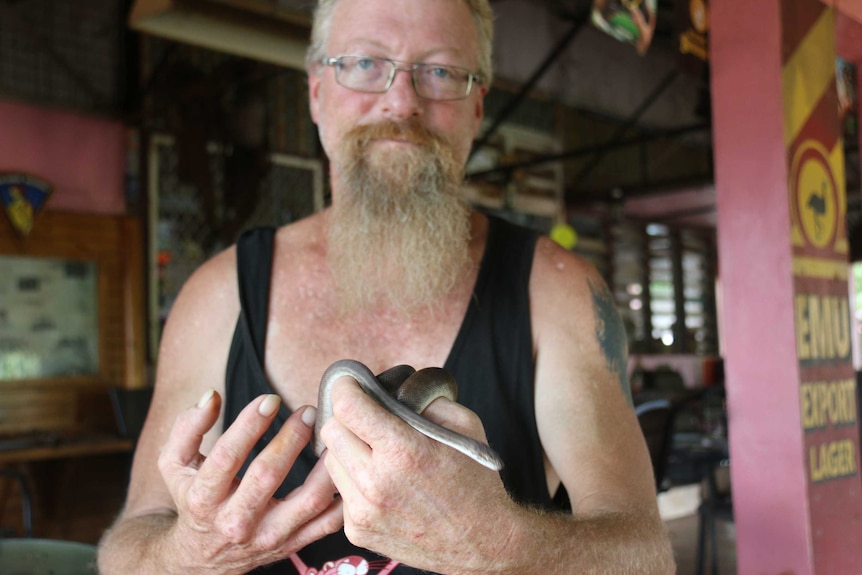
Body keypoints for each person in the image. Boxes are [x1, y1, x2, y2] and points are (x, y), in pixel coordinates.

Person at [97, 0, 675, 573]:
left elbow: (647, 557)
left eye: (441, 71)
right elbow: (127, 546)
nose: (402, 102)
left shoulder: (557, 293)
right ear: (317, 93)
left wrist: (503, 547)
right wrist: (189, 555)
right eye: (365, 64)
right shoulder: (217, 297)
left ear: (477, 107)